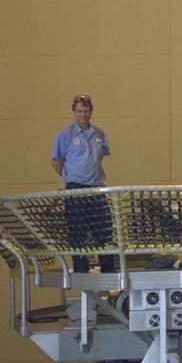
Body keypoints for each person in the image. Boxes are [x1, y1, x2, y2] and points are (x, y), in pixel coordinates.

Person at [50, 94, 117, 274]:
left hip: (95, 188)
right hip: (75, 188)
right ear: (74, 112)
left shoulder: (99, 134)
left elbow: (100, 157)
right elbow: (56, 161)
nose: (83, 114)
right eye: (79, 111)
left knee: (104, 229)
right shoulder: (65, 135)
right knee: (77, 230)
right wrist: (69, 177)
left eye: (86, 111)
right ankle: (81, 268)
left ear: (91, 112)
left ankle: (108, 268)